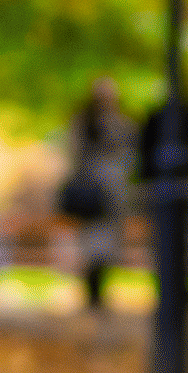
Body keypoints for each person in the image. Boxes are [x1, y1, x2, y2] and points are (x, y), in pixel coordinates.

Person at [62, 76, 132, 312]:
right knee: (92, 245)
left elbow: (128, 151)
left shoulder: (121, 122)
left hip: (113, 193)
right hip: (93, 192)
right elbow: (74, 154)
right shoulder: (84, 123)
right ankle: (92, 295)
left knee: (108, 246)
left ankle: (99, 294)